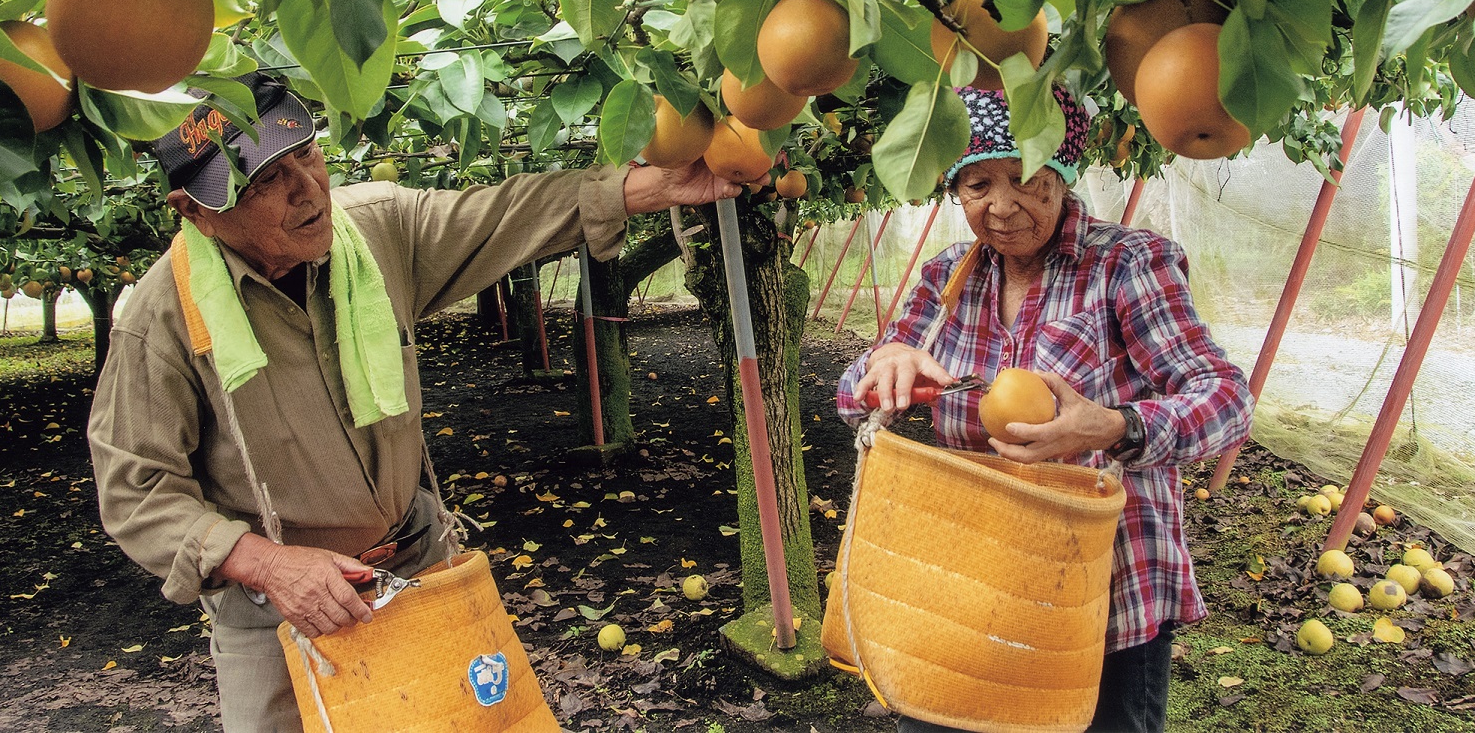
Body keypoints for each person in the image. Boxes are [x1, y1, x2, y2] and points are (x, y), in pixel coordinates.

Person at [87, 71, 753, 731]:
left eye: (306, 155)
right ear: (193, 210)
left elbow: (504, 215)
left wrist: (655, 185)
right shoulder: (164, 319)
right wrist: (266, 564)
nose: (305, 190)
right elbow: (136, 491)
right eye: (262, 182)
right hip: (279, 611)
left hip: (413, 565)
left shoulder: (374, 232)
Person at [836, 86, 1253, 733]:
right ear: (955, 189)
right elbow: (852, 391)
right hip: (974, 584)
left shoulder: (1123, 265)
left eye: (1024, 178)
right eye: (976, 183)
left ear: (1061, 175)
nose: (1000, 206)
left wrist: (1119, 425)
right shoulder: (946, 278)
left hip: (1102, 590)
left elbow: (1225, 397)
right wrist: (886, 368)